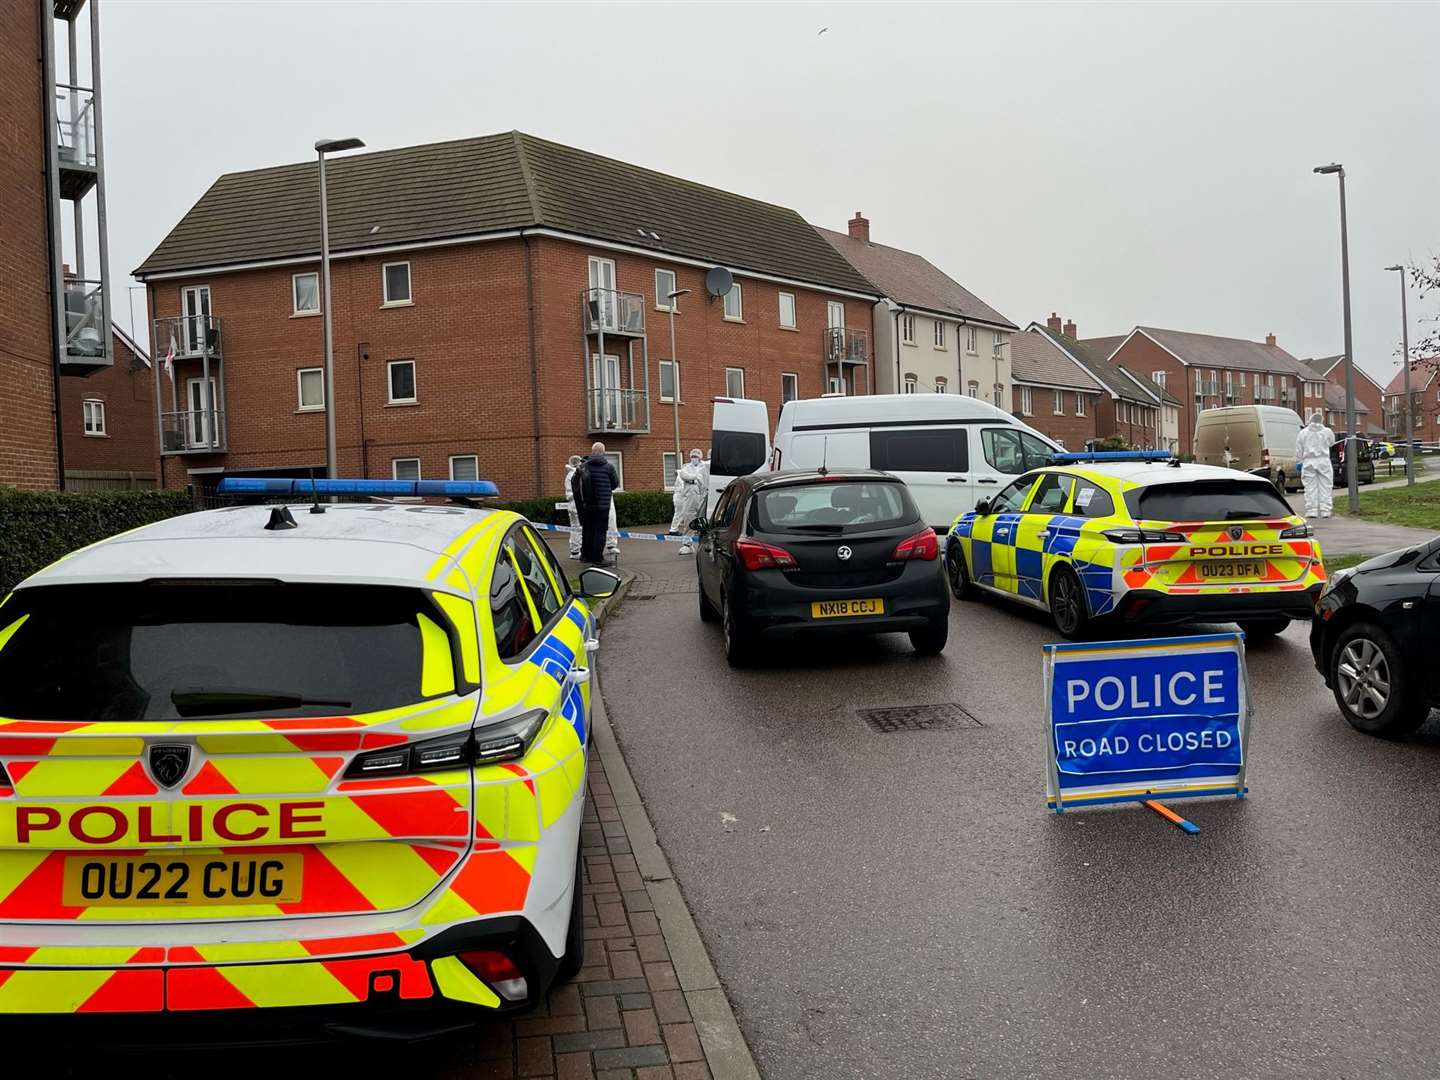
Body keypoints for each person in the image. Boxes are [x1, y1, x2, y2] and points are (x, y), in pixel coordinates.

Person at [572, 442, 619, 564]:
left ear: (592, 452)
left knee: (587, 530)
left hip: (587, 505)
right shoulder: (609, 467)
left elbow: (576, 484)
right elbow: (614, 484)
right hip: (602, 506)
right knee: (600, 532)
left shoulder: (584, 467)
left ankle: (585, 556)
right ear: (603, 452)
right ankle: (597, 558)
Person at [1295, 411, 1336, 519]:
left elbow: (1299, 449)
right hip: (1324, 461)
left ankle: (1311, 510)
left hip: (1308, 461)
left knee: (1310, 487)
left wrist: (1299, 462)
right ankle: (1325, 510)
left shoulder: (1303, 433)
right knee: (1326, 486)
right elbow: (1332, 443)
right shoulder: (1327, 431)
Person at [670, 449, 709, 554]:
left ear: (700, 457)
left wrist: (694, 479)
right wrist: (696, 478)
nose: (694, 458)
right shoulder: (686, 467)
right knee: (689, 519)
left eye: (696, 456)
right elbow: (683, 475)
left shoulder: (705, 466)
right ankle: (687, 545)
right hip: (690, 497)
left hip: (704, 496)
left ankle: (707, 545)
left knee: (705, 521)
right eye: (693, 456)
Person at [562, 454, 584, 560]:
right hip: (576, 505)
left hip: (571, 505)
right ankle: (578, 550)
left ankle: (574, 550)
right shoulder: (575, 475)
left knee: (574, 528)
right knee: (579, 528)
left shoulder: (568, 475)